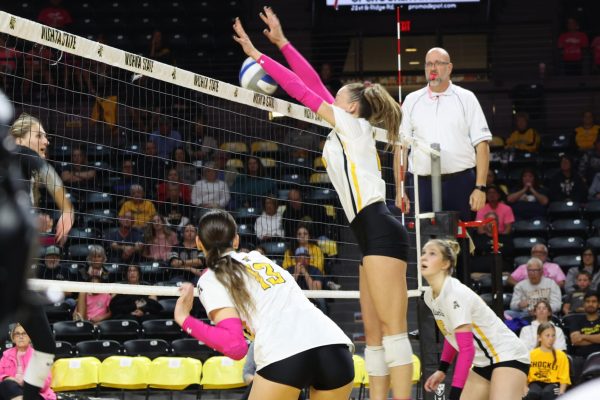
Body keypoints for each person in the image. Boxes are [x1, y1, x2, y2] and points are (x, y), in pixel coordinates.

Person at [233, 8, 412, 399]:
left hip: (380, 226)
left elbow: (302, 90)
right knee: (376, 338)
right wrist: (281, 43)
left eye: (340, 93)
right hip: (371, 232)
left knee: (394, 333)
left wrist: (258, 55)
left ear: (350, 107)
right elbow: (311, 81)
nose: (333, 94)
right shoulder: (347, 124)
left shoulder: (352, 125)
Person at [173, 210, 354, 400]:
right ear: (236, 240)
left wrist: (183, 318)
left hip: (286, 352)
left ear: (198, 242)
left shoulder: (211, 278)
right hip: (334, 348)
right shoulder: (258, 259)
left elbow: (235, 346)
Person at [9, 112, 74, 400]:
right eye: (39, 134)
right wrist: (67, 211)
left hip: (14, 275)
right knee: (46, 345)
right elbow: (52, 179)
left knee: (46, 344)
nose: (46, 140)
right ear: (20, 138)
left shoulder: (17, 170)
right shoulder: (20, 153)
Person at [420, 239, 529, 400]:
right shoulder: (430, 296)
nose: (423, 258)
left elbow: (467, 349)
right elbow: (451, 335)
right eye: (423, 253)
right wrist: (442, 369)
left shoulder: (455, 293)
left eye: (432, 253)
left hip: (508, 356)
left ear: (445, 264)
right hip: (482, 363)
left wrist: (454, 395)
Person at [397, 47, 491, 222]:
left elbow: (482, 145)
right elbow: (401, 149)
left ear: (449, 68)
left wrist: (480, 187)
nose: (433, 68)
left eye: (438, 63)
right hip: (422, 184)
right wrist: (399, 189)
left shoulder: (466, 98)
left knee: (460, 243)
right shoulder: (411, 100)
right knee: (427, 244)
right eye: (429, 64)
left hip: (460, 182)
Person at [0, 324, 55, 400]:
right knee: (6, 384)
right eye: (17, 334)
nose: (21, 336)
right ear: (13, 337)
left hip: (34, 393)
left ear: (30, 337)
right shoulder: (6, 355)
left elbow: (46, 381)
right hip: (11, 390)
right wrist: (7, 378)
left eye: (24, 333)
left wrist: (27, 383)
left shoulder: (38, 355)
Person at [524, 322, 570, 399]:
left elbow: (564, 379)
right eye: (547, 336)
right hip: (535, 383)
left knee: (548, 393)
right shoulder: (531, 355)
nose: (551, 339)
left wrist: (561, 393)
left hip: (553, 384)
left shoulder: (561, 355)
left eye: (553, 335)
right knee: (532, 393)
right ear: (539, 337)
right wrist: (524, 388)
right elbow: (525, 376)